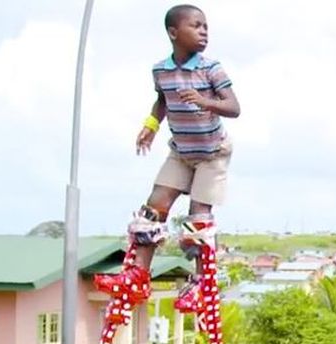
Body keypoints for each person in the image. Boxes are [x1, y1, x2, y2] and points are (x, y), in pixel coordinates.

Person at [94, 4, 240, 321]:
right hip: (181, 152)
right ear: (174, 33)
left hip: (212, 153)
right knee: (153, 208)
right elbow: (162, 100)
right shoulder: (161, 70)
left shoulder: (211, 68)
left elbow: (233, 107)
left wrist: (205, 101)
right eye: (196, 26)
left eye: (206, 27)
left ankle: (201, 283)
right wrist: (150, 126)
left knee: (197, 220)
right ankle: (138, 274)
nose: (204, 32)